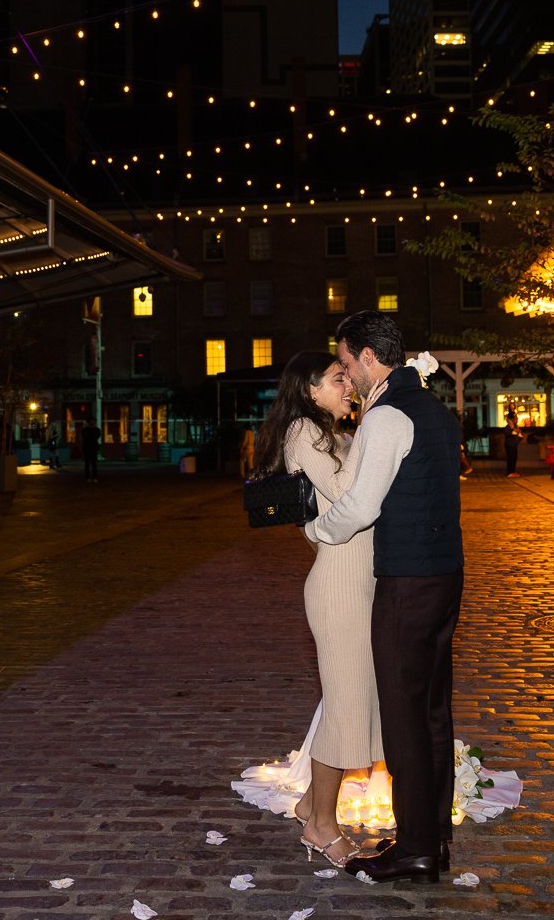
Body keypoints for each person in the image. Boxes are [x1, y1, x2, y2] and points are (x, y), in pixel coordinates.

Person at [306, 311, 463, 885]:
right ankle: (433, 837)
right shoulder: (435, 410)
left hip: (408, 583)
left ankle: (417, 847)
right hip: (447, 575)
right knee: (433, 712)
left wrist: (317, 530)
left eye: (346, 364)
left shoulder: (390, 415)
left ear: (369, 356)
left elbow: (361, 507)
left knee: (402, 716)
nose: (346, 377)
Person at [251, 350, 376, 869]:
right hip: (339, 582)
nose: (347, 384)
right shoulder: (304, 431)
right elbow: (347, 492)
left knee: (352, 699)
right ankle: (320, 825)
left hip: (361, 578)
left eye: (347, 376)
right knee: (346, 705)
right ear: (308, 389)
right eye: (337, 378)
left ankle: (310, 802)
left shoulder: (333, 433)